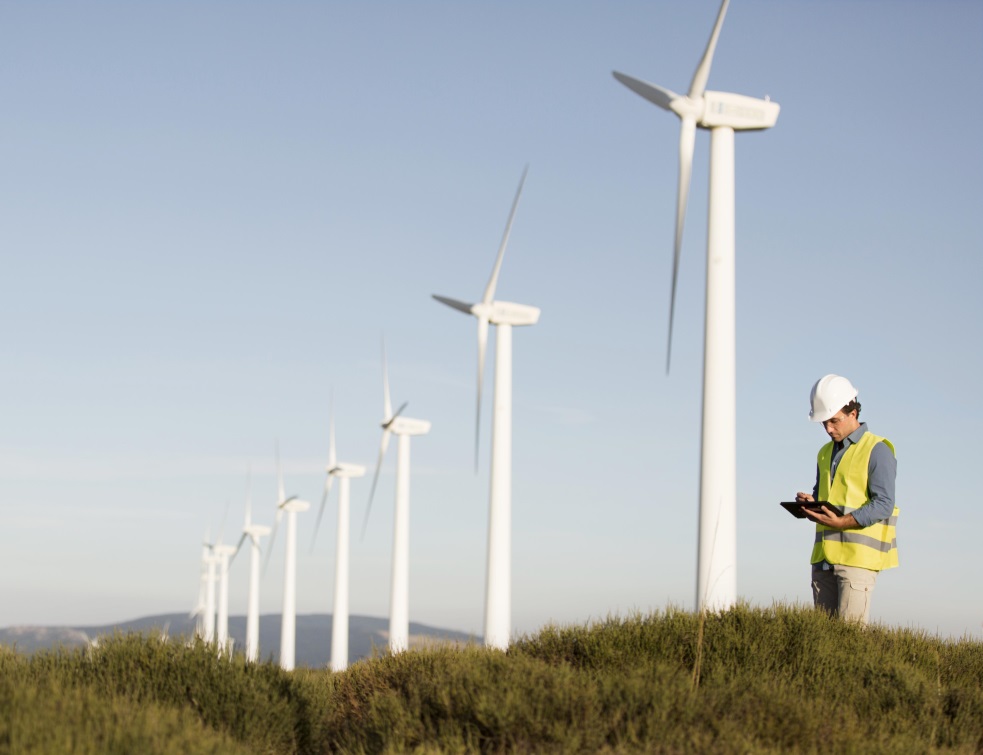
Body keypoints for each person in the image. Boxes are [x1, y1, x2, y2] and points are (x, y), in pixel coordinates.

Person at [795, 374, 898, 625]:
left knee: (849, 641)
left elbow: (884, 503)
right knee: (823, 643)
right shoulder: (825, 452)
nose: (829, 429)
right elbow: (828, 495)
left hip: (857, 562)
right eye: (824, 423)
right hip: (823, 559)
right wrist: (812, 503)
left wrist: (843, 522)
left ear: (853, 412)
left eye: (834, 421)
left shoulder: (878, 449)